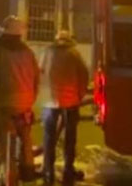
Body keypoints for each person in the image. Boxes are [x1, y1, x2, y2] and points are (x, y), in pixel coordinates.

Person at [0, 16, 41, 184]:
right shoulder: (29, 53)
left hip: (5, 106)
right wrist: (31, 100)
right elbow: (37, 78)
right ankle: (29, 173)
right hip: (25, 106)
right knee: (26, 140)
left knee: (5, 144)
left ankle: (8, 177)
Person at [40, 30, 90, 184]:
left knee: (49, 137)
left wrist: (44, 93)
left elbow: (40, 72)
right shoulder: (74, 54)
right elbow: (84, 75)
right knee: (70, 138)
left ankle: (48, 170)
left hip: (49, 101)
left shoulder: (47, 52)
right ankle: (68, 170)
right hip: (70, 102)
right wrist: (79, 95)